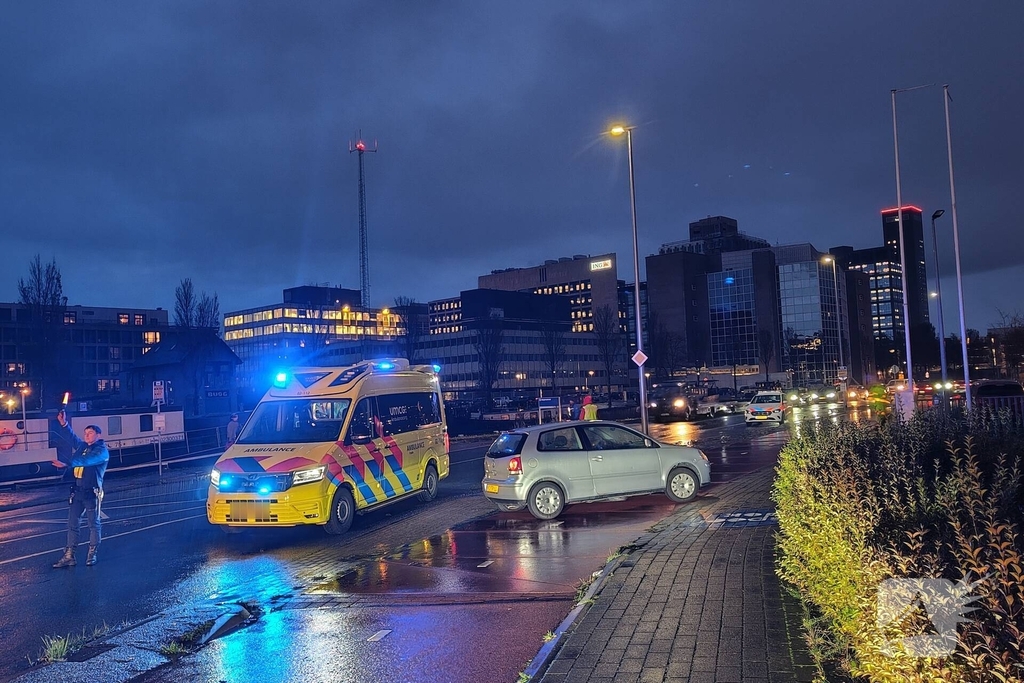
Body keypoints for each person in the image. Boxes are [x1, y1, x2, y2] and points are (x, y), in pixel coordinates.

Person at [52, 411, 109, 568]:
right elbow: (72, 438)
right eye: (85, 433)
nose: (87, 435)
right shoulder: (83, 446)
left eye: (90, 433)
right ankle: (70, 556)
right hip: (77, 491)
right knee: (72, 524)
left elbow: (86, 461)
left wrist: (67, 463)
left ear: (98, 435)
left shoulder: (101, 451)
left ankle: (92, 554)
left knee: (93, 524)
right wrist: (64, 424)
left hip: (92, 492)